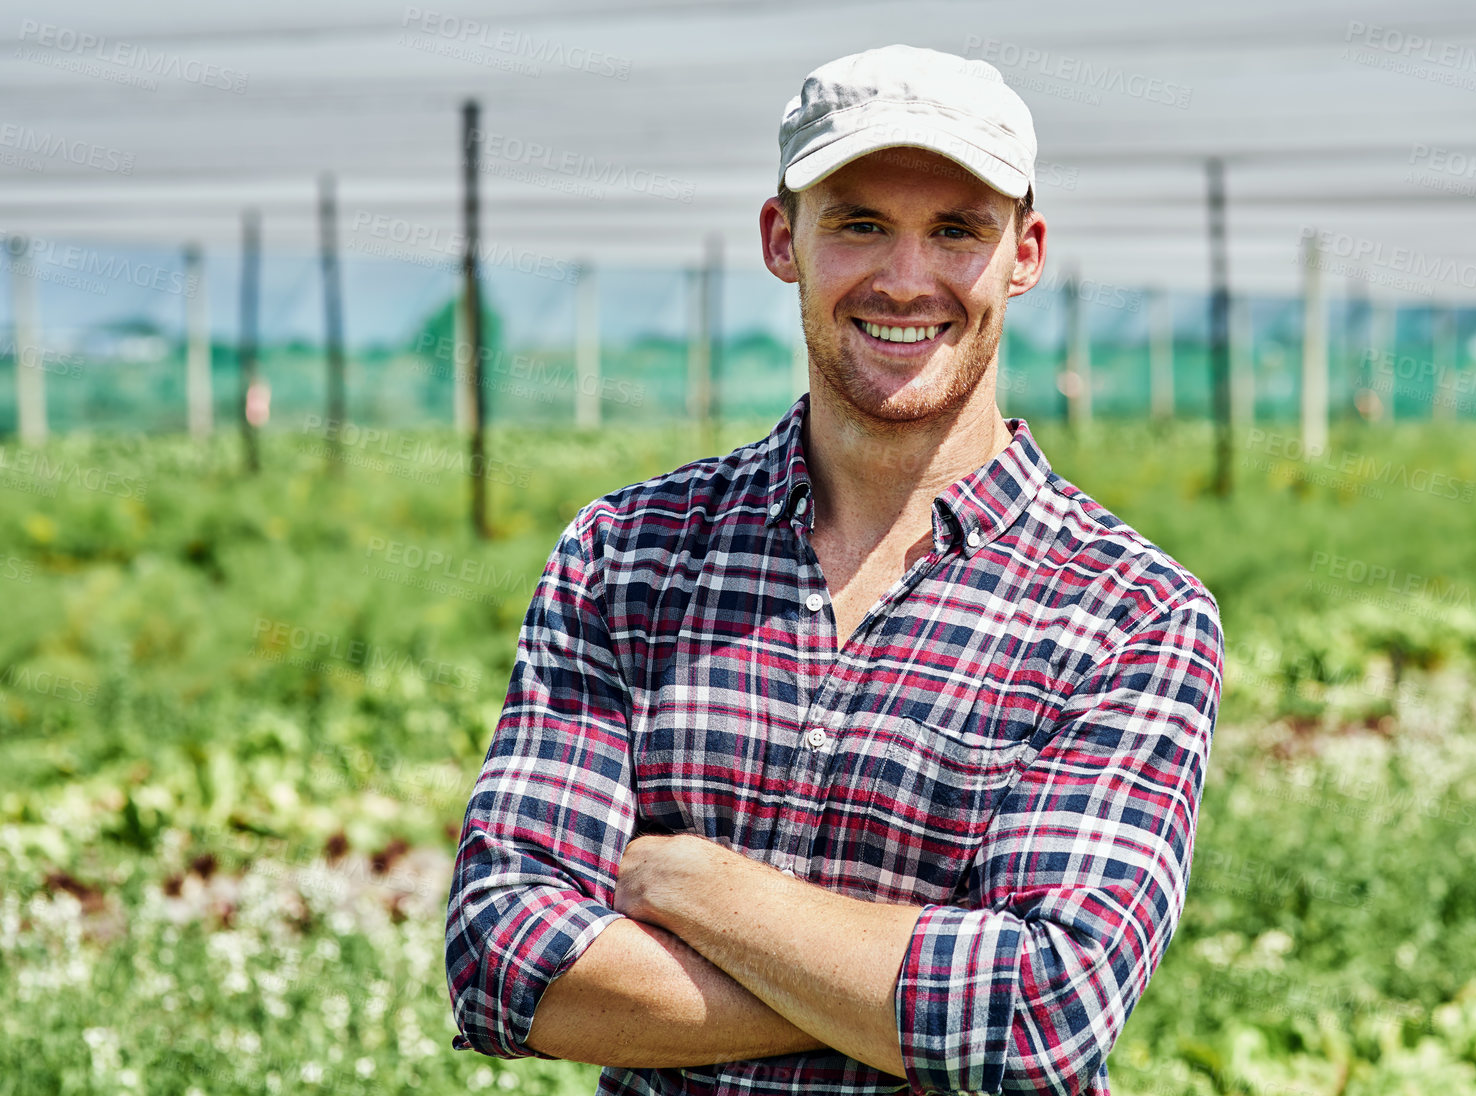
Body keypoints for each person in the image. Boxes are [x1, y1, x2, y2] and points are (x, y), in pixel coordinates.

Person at [445, 42, 1224, 1096]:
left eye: (956, 230)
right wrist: (891, 1005)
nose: (907, 280)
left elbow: (1040, 1015)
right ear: (784, 238)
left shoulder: (1129, 614)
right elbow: (506, 961)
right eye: (860, 223)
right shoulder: (626, 555)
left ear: (1025, 253)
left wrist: (697, 884)